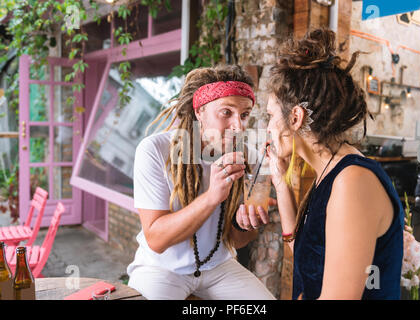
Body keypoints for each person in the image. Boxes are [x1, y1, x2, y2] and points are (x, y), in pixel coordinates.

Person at [256, 28, 404, 299]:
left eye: (270, 116)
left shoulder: (353, 182)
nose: (267, 128)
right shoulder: (330, 172)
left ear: (295, 117)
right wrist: (280, 181)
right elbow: (310, 258)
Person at [127, 65, 275, 300]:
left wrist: (245, 223)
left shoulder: (250, 158)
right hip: (161, 269)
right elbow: (156, 239)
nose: (239, 126)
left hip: (219, 268)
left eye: (244, 114)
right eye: (227, 112)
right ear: (200, 111)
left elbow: (237, 241)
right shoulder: (155, 150)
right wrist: (212, 197)